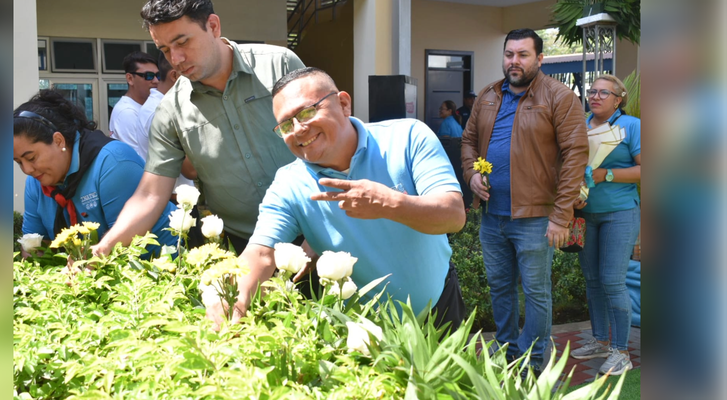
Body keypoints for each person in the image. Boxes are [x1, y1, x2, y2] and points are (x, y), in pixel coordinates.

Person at [206, 67, 467, 334]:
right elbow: (261, 253)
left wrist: (389, 203)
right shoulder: (288, 184)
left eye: (307, 112)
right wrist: (233, 300)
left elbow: (454, 215)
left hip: (440, 306)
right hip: (364, 328)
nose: (298, 129)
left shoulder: (408, 137)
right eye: (285, 125)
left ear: (343, 103)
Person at [92, 0, 306, 257]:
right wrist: (104, 247)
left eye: (182, 42)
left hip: (316, 229)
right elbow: (151, 195)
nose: (175, 60)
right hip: (242, 246)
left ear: (213, 26)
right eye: (165, 49)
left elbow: (329, 139)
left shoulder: (279, 65)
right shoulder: (171, 110)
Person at [460, 28, 588, 372]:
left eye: (522, 54)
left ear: (539, 58)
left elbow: (576, 154)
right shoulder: (488, 94)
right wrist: (472, 174)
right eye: (509, 54)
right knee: (500, 289)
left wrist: (561, 216)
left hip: (535, 217)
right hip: (492, 215)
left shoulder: (559, 97)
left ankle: (533, 362)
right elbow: (469, 140)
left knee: (535, 293)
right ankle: (506, 352)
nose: (514, 61)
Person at [14, 89, 177, 257]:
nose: (27, 170)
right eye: (19, 162)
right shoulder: (35, 182)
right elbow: (34, 245)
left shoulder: (113, 161)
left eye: (31, 158)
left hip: (162, 266)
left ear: (58, 140)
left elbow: (124, 243)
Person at [569, 75, 640, 376]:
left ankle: (620, 351)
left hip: (619, 214)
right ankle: (599, 340)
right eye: (592, 91)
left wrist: (605, 175)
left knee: (612, 280)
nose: (595, 96)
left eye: (603, 92)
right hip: (585, 215)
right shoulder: (579, 124)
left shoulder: (632, 126)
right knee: (593, 280)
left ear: (618, 99)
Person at [137, 52, 198, 198]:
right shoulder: (161, 112)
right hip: (172, 201)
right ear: (175, 76)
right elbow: (191, 171)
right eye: (190, 73)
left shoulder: (157, 106)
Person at [109, 51, 159, 156]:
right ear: (130, 79)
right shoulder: (126, 113)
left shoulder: (148, 107)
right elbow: (140, 161)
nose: (155, 81)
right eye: (148, 76)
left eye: (158, 75)